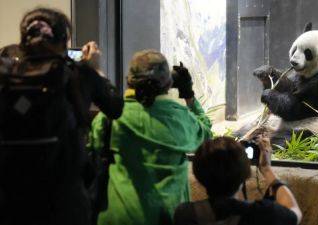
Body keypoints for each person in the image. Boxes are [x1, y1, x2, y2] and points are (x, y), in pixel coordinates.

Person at [0, 7, 123, 225]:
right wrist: (94, 69)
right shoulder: (78, 73)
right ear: (63, 39)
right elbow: (116, 107)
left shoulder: (6, 75)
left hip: (11, 197)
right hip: (65, 201)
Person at [88, 49, 212, 225]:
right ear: (168, 84)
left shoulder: (109, 118)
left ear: (129, 81)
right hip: (168, 218)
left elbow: (92, 149)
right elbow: (206, 134)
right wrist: (189, 95)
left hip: (117, 218)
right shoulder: (180, 118)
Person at [174, 136, 302, 225]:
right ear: (245, 174)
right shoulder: (262, 214)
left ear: (198, 175)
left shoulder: (185, 214)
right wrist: (267, 169)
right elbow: (295, 212)